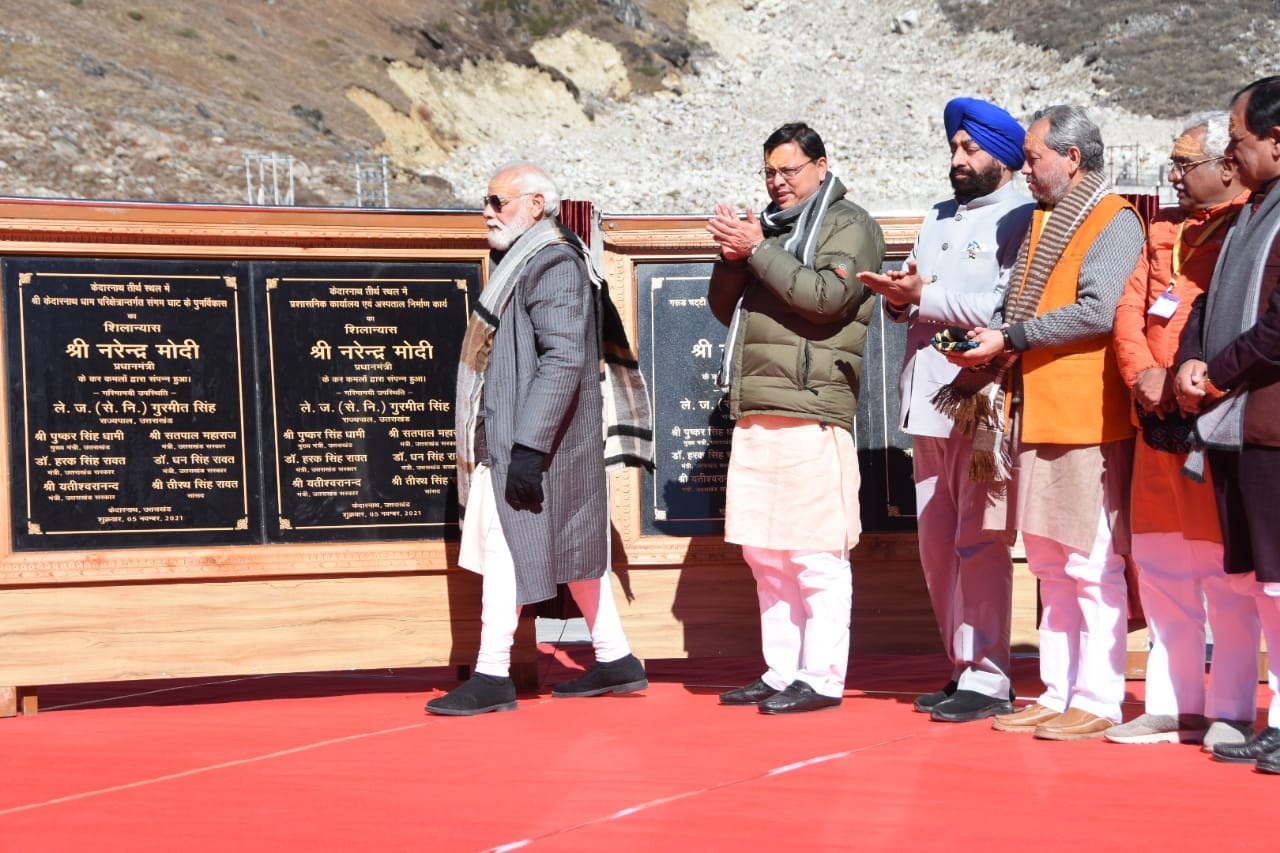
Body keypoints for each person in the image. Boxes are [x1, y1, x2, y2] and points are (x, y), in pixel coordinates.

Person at [942, 105, 1145, 740]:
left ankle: (1100, 698)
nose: (1024, 168)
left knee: (1090, 564)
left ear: (1073, 158)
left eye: (1033, 157)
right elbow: (1020, 309)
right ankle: (1059, 690)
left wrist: (1009, 336)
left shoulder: (1114, 220)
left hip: (1085, 420)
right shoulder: (1041, 218)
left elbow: (1098, 311)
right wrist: (990, 339)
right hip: (1032, 414)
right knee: (1051, 567)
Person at [427, 161, 653, 716]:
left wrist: (528, 447)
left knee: (507, 547)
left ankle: (492, 673)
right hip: (539, 439)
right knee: (574, 548)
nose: (487, 212)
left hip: (535, 442)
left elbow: (564, 359)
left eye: (497, 201)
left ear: (535, 205)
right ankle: (616, 658)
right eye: (486, 201)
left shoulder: (551, 263)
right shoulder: (530, 259)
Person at [857, 98, 1034, 723]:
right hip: (925, 399)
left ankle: (990, 677)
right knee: (936, 547)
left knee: (980, 542)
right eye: (954, 148)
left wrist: (923, 298)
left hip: (980, 400)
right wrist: (898, 300)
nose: (957, 159)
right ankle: (961, 668)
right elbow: (915, 296)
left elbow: (1005, 309)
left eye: (970, 149)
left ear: (1004, 157)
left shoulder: (1024, 218)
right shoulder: (936, 217)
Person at [706, 122, 885, 714]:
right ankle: (782, 670)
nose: (777, 182)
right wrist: (733, 257)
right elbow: (722, 308)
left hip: (813, 408)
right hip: (758, 405)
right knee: (765, 554)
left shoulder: (850, 224)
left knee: (814, 554)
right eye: (769, 172)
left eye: (789, 170)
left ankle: (823, 677)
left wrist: (757, 250)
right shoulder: (773, 228)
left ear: (821, 167)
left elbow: (825, 299)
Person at [1107, 112, 1259, 747]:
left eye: (1183, 164)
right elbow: (1129, 310)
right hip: (1155, 422)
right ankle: (1172, 704)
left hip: (1211, 419)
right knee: (1161, 562)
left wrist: (1181, 383)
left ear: (1226, 166)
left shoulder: (1251, 226)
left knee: (1226, 576)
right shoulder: (1161, 229)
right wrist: (1143, 376)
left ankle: (1232, 708)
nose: (1172, 176)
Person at [1174, 75, 1280, 772]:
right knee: (1264, 579)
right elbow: (1208, 304)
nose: (1231, 153)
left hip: (1269, 423)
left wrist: (1216, 373)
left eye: (1238, 139)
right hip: (1240, 423)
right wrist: (1190, 359)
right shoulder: (1251, 211)